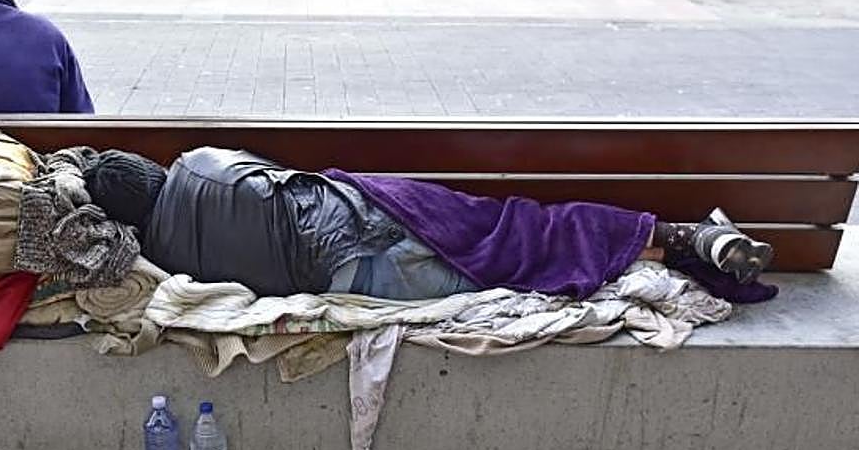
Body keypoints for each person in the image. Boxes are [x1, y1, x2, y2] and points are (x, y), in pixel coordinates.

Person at [83, 147, 774, 302]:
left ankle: (674, 249)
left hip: (365, 277)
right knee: (524, 229)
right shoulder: (200, 163)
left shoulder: (167, 256)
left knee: (525, 271)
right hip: (371, 209)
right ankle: (686, 237)